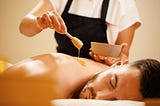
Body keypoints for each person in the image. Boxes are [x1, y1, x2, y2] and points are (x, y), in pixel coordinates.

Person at [0, 53, 160, 105]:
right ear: (117, 64)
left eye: (113, 102)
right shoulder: (56, 75)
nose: (100, 98)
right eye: (112, 83)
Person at [19, 0, 141, 66]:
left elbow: (123, 54)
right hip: (62, 71)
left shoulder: (123, 4)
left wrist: (118, 58)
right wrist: (39, 22)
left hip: (99, 77)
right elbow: (24, 27)